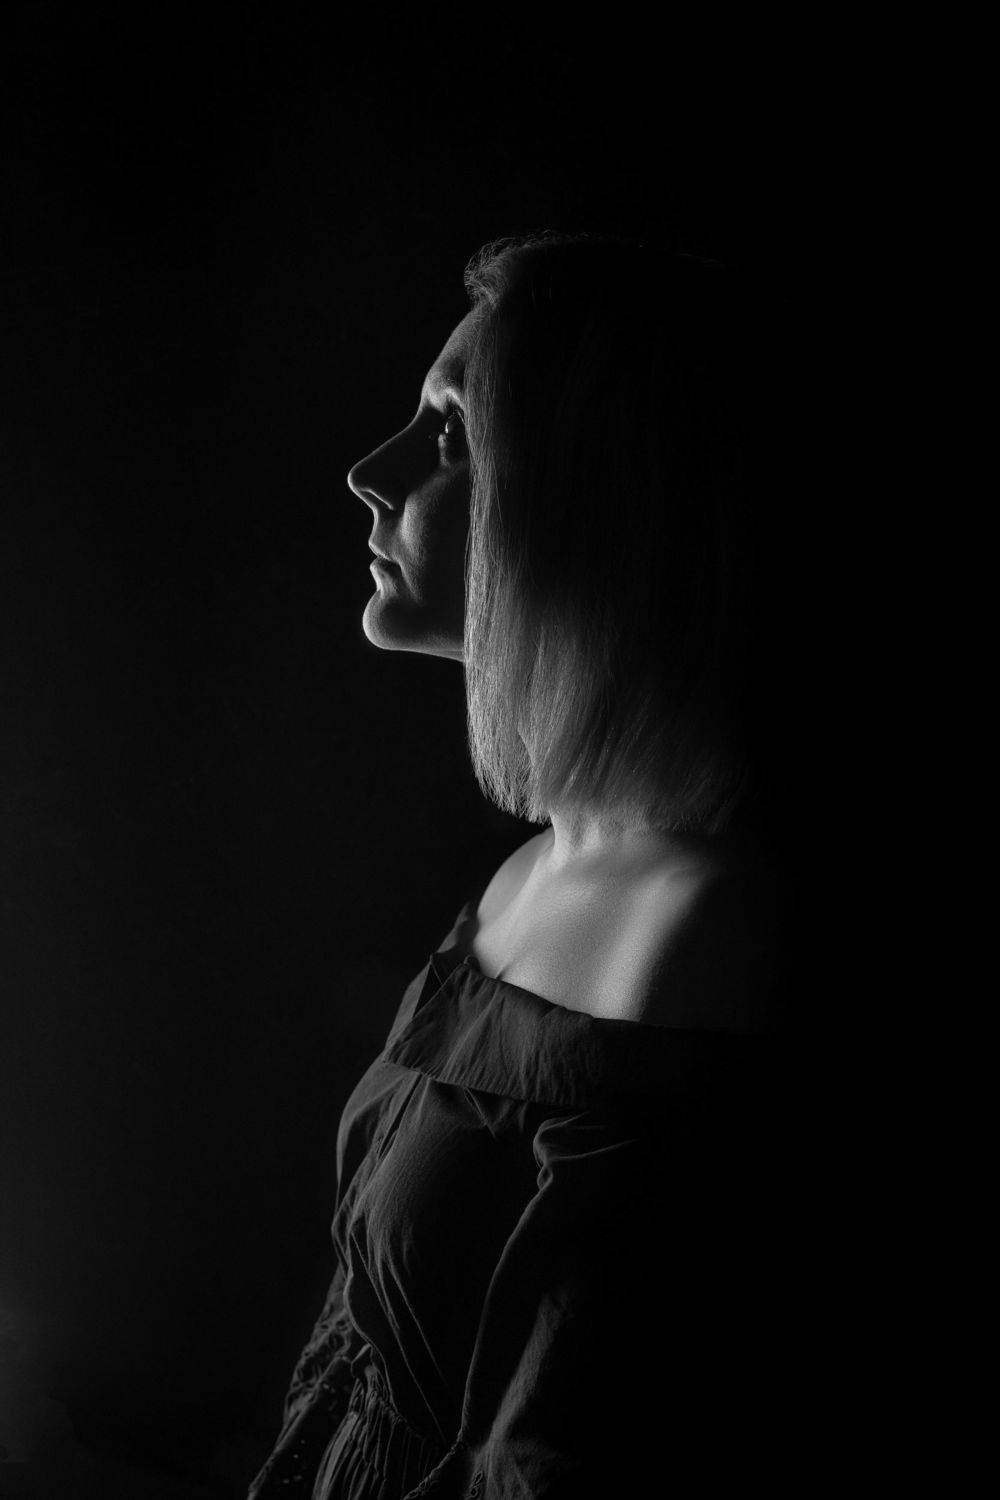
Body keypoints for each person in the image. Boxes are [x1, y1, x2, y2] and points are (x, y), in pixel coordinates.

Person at [247, 234, 805, 1499]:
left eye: (448, 434)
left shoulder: (698, 932)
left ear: (595, 499)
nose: (367, 474)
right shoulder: (536, 866)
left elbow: (554, 1452)